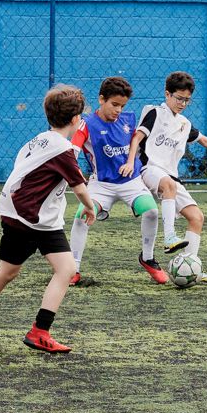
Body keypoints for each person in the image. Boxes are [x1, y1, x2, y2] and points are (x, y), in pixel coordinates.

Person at [0, 84, 98, 355]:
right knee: (65, 270)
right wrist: (91, 208)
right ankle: (39, 332)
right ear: (77, 120)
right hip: (32, 216)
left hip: (19, 211)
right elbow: (79, 187)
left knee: (8, 271)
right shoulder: (63, 150)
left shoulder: (37, 140)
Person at [121, 71, 207, 283]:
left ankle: (191, 267)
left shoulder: (183, 123)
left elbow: (204, 141)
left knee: (196, 217)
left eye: (187, 100)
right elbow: (137, 137)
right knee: (168, 185)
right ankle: (169, 236)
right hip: (148, 169)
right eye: (179, 98)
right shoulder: (154, 112)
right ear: (167, 94)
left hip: (170, 176)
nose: (182, 103)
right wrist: (129, 161)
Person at [69, 76, 169, 286]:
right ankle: (73, 268)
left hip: (130, 182)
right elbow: (72, 152)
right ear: (101, 99)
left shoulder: (128, 118)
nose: (118, 110)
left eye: (122, 106)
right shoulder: (86, 125)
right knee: (81, 217)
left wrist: (131, 161)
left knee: (151, 211)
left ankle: (148, 258)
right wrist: (75, 171)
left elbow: (135, 139)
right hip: (101, 184)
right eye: (114, 105)